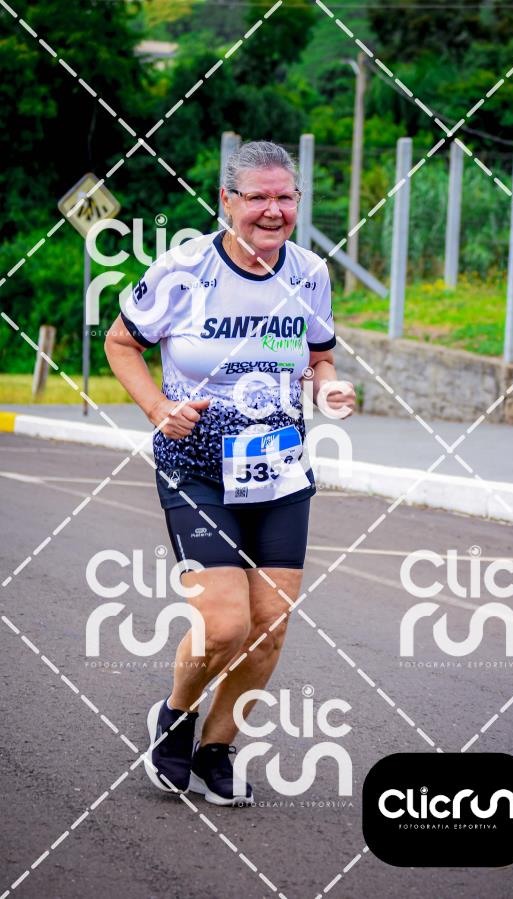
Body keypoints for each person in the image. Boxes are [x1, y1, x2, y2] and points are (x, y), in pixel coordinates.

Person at [104, 140, 355, 805]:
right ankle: (175, 716)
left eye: (285, 197)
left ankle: (217, 749)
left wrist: (328, 387)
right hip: (196, 468)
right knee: (224, 626)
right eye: (258, 197)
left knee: (269, 628)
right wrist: (158, 408)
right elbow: (121, 342)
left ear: (297, 201)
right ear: (227, 200)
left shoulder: (309, 273)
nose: (273, 210)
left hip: (279, 470)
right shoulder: (184, 269)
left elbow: (319, 357)